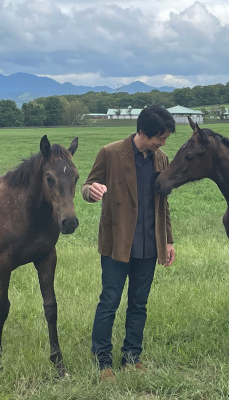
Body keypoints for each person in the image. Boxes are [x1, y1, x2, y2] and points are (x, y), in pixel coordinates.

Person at [82, 105, 176, 382]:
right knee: (109, 301)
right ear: (143, 132)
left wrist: (168, 240)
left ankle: (132, 357)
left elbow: (164, 203)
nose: (163, 143)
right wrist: (92, 191)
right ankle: (103, 362)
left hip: (150, 244)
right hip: (118, 243)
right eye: (160, 137)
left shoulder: (162, 159)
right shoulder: (110, 153)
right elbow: (87, 186)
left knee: (139, 303)